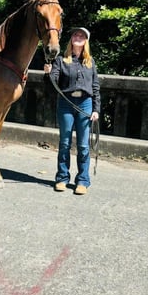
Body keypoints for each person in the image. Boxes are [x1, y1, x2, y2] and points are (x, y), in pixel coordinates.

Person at [44, 27, 100, 195]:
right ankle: (62, 178)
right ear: (71, 39)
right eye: (75, 34)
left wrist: (96, 109)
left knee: (83, 146)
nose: (78, 37)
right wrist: (47, 74)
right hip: (66, 104)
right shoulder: (61, 60)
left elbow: (95, 87)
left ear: (86, 41)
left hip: (85, 104)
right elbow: (51, 85)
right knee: (65, 143)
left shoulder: (90, 62)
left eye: (81, 36)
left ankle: (83, 180)